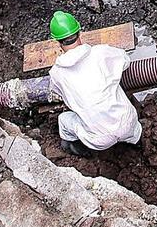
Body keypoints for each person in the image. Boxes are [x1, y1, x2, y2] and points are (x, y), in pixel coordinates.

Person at [47, 10, 143, 157]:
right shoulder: (101, 53)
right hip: (127, 124)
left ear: (58, 42)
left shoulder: (56, 73)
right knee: (132, 128)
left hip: (98, 140)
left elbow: (59, 93)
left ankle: (73, 147)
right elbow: (125, 60)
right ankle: (138, 144)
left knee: (64, 119)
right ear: (79, 32)